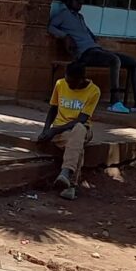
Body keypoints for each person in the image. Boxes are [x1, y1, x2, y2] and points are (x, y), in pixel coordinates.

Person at [48, 0, 136, 115]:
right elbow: (50, 27)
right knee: (114, 60)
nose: (80, 2)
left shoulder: (80, 17)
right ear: (68, 2)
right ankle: (115, 101)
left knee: (135, 62)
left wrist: (94, 40)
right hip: (85, 53)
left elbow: (88, 33)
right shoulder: (63, 15)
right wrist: (65, 36)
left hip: (97, 50)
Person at [38, 61, 101, 200]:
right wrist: (46, 130)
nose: (69, 85)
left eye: (72, 83)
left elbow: (82, 119)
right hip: (61, 132)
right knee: (77, 147)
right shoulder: (60, 84)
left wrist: (54, 131)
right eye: (67, 80)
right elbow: (53, 109)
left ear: (81, 79)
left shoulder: (94, 91)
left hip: (81, 129)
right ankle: (70, 186)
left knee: (79, 129)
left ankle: (65, 172)